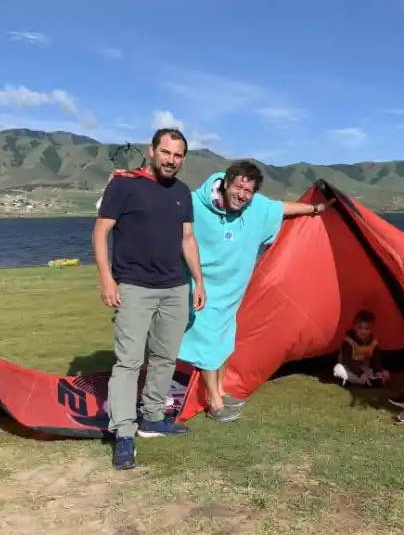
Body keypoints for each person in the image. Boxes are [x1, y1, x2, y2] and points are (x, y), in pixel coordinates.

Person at [178, 160, 332, 422]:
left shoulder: (255, 207)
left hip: (231, 294)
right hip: (200, 288)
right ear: (226, 184)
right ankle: (214, 404)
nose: (242, 195)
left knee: (224, 344)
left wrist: (316, 208)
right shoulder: (193, 204)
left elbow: (282, 208)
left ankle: (221, 391)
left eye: (248, 191)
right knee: (209, 344)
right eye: (238, 187)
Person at [92, 127, 206, 470]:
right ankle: (124, 432)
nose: (171, 160)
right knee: (128, 362)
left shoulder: (183, 193)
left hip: (174, 288)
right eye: (166, 153)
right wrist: (107, 280)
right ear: (152, 151)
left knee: (164, 357)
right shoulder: (124, 185)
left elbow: (187, 239)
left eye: (178, 155)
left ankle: (154, 416)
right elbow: (100, 232)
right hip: (134, 287)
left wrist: (198, 282)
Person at [333, 310, 391, 387]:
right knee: (338, 369)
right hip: (349, 368)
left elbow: (376, 359)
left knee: (385, 374)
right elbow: (347, 361)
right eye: (360, 328)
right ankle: (365, 381)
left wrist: (378, 371)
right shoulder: (349, 341)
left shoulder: (373, 342)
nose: (363, 331)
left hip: (364, 369)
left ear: (372, 329)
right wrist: (360, 373)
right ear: (354, 327)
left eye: (367, 328)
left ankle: (366, 380)